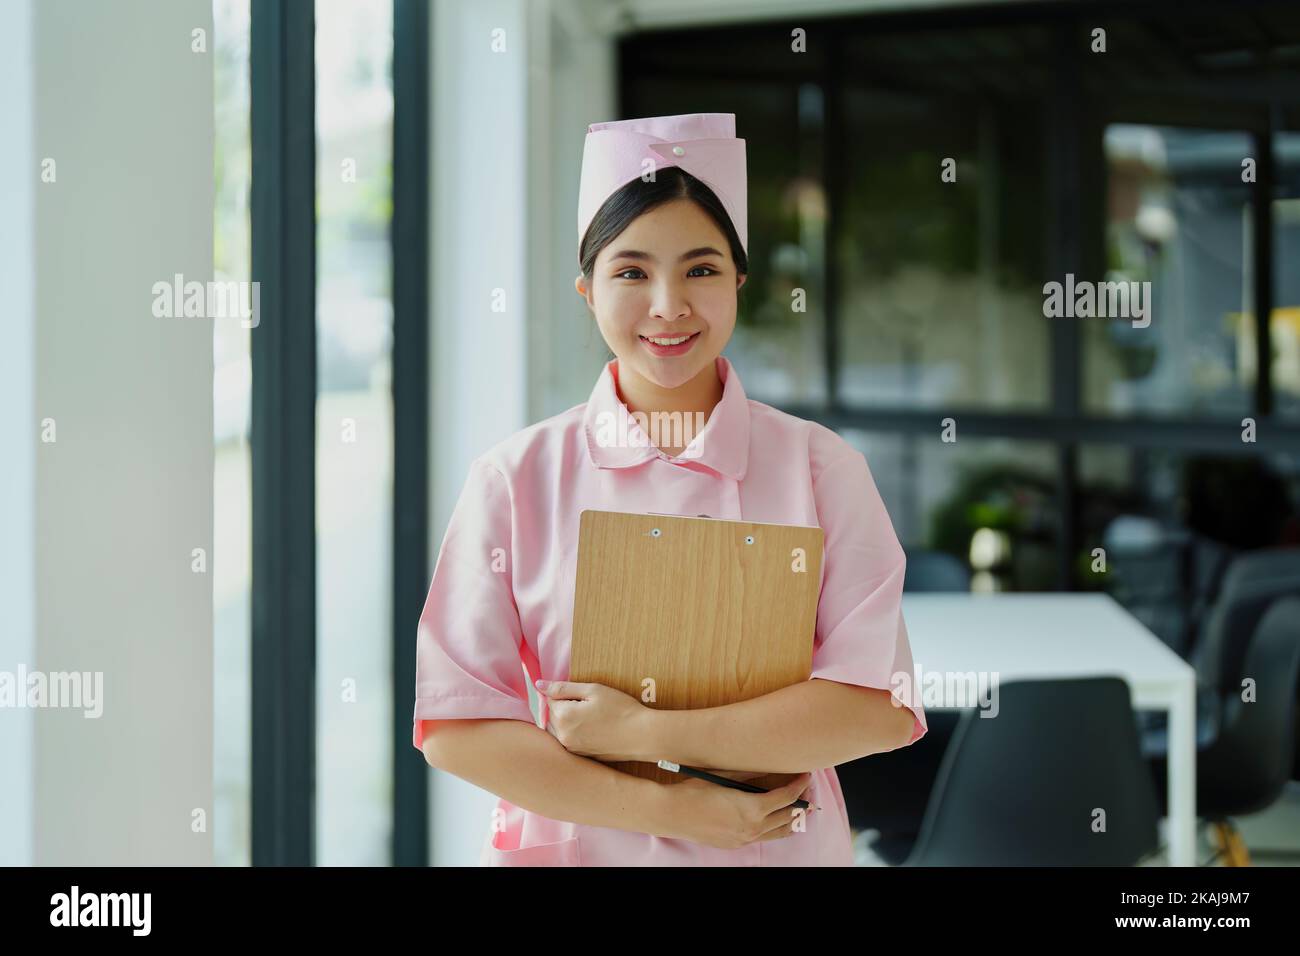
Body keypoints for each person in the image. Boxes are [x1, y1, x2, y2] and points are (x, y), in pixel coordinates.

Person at [412, 112, 927, 866]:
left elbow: (878, 707)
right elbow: (457, 726)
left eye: (701, 268)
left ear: (740, 282)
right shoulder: (515, 478)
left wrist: (648, 732)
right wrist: (677, 808)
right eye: (630, 272)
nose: (668, 304)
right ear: (587, 290)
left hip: (773, 848)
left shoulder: (821, 469)